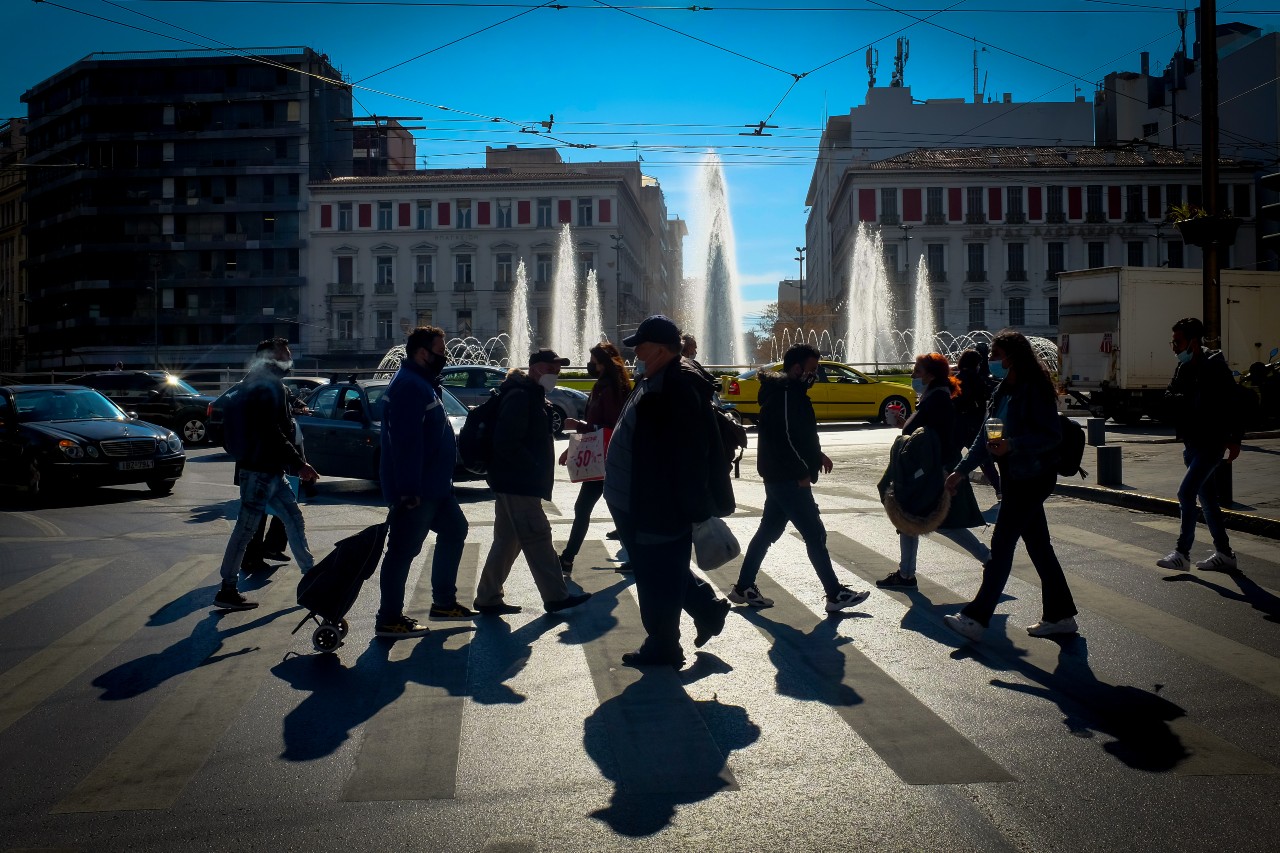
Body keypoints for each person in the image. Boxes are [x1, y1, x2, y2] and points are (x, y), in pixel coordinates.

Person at [604, 315, 733, 668]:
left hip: (652, 501)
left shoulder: (672, 386)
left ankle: (663, 646)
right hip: (637, 496)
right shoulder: (657, 378)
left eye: (641, 345)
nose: (635, 351)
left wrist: (687, 508)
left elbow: (687, 453)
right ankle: (707, 610)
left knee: (654, 574)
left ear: (660, 349)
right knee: (662, 566)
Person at [942, 330, 1078, 641]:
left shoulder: (1035, 390)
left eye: (995, 355)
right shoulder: (1002, 391)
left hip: (1033, 477)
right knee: (1040, 547)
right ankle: (1061, 615)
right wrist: (961, 471)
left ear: (1012, 357)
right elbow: (985, 437)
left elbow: (1051, 436)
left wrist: (1012, 445)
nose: (991, 361)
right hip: (1015, 476)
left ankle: (976, 618)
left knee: (1001, 546)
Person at [726, 343, 871, 613]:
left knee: (768, 531)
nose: (815, 374)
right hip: (788, 478)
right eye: (812, 369)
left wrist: (817, 455)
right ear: (796, 368)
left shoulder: (790, 391)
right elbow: (785, 439)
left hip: (780, 476)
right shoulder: (785, 394)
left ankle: (743, 587)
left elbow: (797, 434)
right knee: (814, 534)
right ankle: (834, 593)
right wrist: (802, 472)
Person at [474, 349, 592, 615]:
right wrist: (533, 466)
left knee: (507, 540)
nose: (556, 374)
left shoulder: (530, 395)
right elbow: (507, 442)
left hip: (511, 481)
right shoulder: (521, 397)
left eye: (558, 370)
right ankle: (556, 596)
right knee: (538, 536)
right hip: (519, 482)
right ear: (537, 369)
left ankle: (488, 597)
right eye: (552, 369)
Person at [374, 326, 475, 639]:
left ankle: (443, 602)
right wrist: (407, 490)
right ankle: (389, 618)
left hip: (436, 487)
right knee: (402, 551)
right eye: (441, 351)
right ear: (422, 353)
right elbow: (405, 444)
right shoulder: (409, 387)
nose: (445, 356)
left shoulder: (424, 383)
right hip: (418, 490)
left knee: (455, 529)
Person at [214, 338, 318, 611]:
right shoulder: (265, 387)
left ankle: (312, 576)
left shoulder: (264, 384)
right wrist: (299, 464)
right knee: (246, 529)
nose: (289, 359)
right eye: (284, 355)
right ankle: (227, 588)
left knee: (293, 519)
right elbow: (272, 431)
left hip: (270, 470)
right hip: (259, 471)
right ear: (269, 358)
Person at [877, 353, 990, 589]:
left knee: (938, 521)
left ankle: (989, 559)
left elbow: (934, 437)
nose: (913, 375)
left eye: (917, 371)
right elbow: (922, 432)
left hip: (932, 471)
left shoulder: (937, 399)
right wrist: (904, 424)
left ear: (930, 374)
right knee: (908, 516)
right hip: (929, 468)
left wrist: (945, 471)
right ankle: (906, 574)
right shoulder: (934, 396)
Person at [1155, 317, 1243, 572]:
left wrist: (1234, 439)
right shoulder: (1183, 368)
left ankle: (1182, 553)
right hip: (1192, 442)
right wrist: (1186, 399)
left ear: (1193, 342)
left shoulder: (1214, 366)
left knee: (1186, 493)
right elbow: (1170, 396)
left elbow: (1232, 403)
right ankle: (1225, 554)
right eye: (1172, 341)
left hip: (1212, 442)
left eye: (1178, 341)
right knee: (1208, 501)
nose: (1173, 347)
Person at [558, 340, 631, 574]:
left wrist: (578, 425)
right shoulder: (614, 385)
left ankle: (568, 557)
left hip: (603, 456)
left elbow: (607, 425)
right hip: (607, 455)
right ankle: (568, 557)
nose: (590, 366)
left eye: (593, 363)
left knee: (587, 508)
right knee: (608, 507)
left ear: (604, 364)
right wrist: (573, 447)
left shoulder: (607, 388)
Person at [955, 348, 1001, 501]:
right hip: (975, 424)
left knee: (951, 456)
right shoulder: (979, 379)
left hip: (958, 424)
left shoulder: (956, 379)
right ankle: (999, 489)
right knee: (984, 460)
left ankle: (948, 490)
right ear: (976, 364)